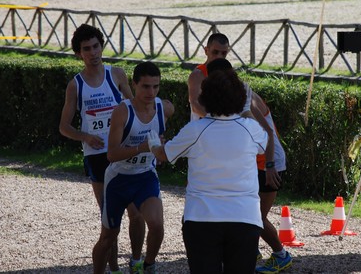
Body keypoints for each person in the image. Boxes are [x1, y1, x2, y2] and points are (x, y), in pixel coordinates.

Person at [149, 68, 268, 274]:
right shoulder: (251, 128)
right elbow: (263, 143)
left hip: (201, 218)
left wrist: (152, 145)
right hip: (244, 218)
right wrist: (247, 109)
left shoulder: (195, 130)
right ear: (240, 98)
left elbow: (164, 155)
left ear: (205, 98)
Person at [58, 23, 145, 274]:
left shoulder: (116, 74)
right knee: (111, 219)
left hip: (125, 150)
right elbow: (64, 126)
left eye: (96, 46)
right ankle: (114, 268)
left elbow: (135, 106)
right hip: (97, 156)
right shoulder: (76, 85)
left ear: (102, 46)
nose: (93, 53)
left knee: (136, 212)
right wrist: (85, 136)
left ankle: (136, 261)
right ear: (79, 54)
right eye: (87, 49)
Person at [205, 59, 292, 273]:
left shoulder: (243, 95)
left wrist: (270, 166)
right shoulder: (228, 94)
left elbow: (267, 133)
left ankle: (280, 255)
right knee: (243, 213)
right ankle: (248, 254)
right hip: (252, 162)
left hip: (269, 163)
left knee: (255, 218)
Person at [92, 61, 174, 274]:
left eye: (155, 86)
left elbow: (161, 148)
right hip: (119, 178)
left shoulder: (163, 108)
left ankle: (147, 265)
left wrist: (161, 149)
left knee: (156, 224)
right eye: (145, 86)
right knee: (108, 237)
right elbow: (112, 154)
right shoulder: (122, 112)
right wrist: (142, 147)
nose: (151, 92)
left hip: (145, 175)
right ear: (134, 84)